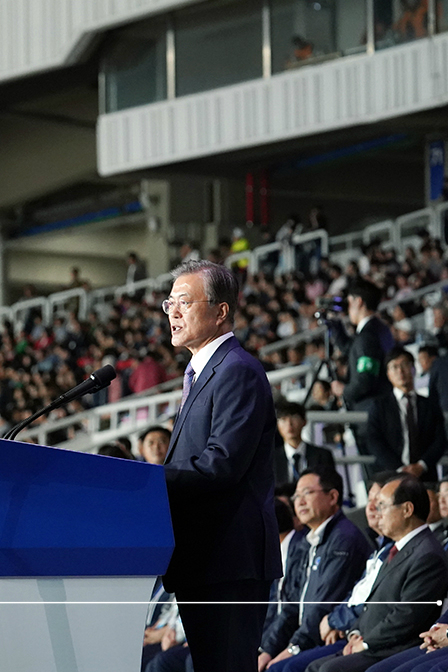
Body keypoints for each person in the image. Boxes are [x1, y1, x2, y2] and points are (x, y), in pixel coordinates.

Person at [160, 259, 282, 672]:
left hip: (230, 558)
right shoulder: (201, 371)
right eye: (169, 303)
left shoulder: (237, 371)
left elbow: (222, 464)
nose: (173, 312)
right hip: (204, 558)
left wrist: (149, 480)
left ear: (220, 310)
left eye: (184, 302)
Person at [305, 475, 448, 672]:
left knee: (327, 670)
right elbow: (371, 603)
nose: (376, 512)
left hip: (393, 648)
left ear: (407, 509)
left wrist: (365, 643)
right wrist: (356, 633)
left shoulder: (426, 554)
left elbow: (406, 617)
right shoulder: (396, 549)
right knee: (313, 666)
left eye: (382, 505)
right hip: (370, 643)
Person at [258, 469, 372, 670]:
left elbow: (322, 606)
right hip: (305, 636)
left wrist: (293, 648)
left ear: (333, 497)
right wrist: (267, 650)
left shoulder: (343, 540)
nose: (299, 501)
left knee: (281, 669)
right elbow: (291, 605)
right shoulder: (309, 542)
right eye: (296, 496)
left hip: (329, 636)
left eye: (307, 493)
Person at [366, 349, 446, 483]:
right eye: (394, 367)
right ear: (388, 374)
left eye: (404, 365)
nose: (400, 371)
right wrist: (399, 468)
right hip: (391, 475)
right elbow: (374, 441)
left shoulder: (430, 404)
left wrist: (421, 465)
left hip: (425, 475)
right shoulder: (379, 406)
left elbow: (440, 440)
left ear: (413, 368)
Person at [331, 280, 395, 413]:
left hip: (370, 409)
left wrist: (344, 391)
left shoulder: (367, 336)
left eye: (348, 302)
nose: (347, 308)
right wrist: (334, 325)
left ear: (358, 301)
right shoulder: (378, 329)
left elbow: (365, 379)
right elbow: (351, 348)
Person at [274, 402, 337, 495]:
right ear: (277, 425)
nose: (289, 424)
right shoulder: (270, 459)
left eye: (294, 418)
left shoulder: (323, 455)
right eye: (283, 420)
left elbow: (329, 486)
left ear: (304, 422)